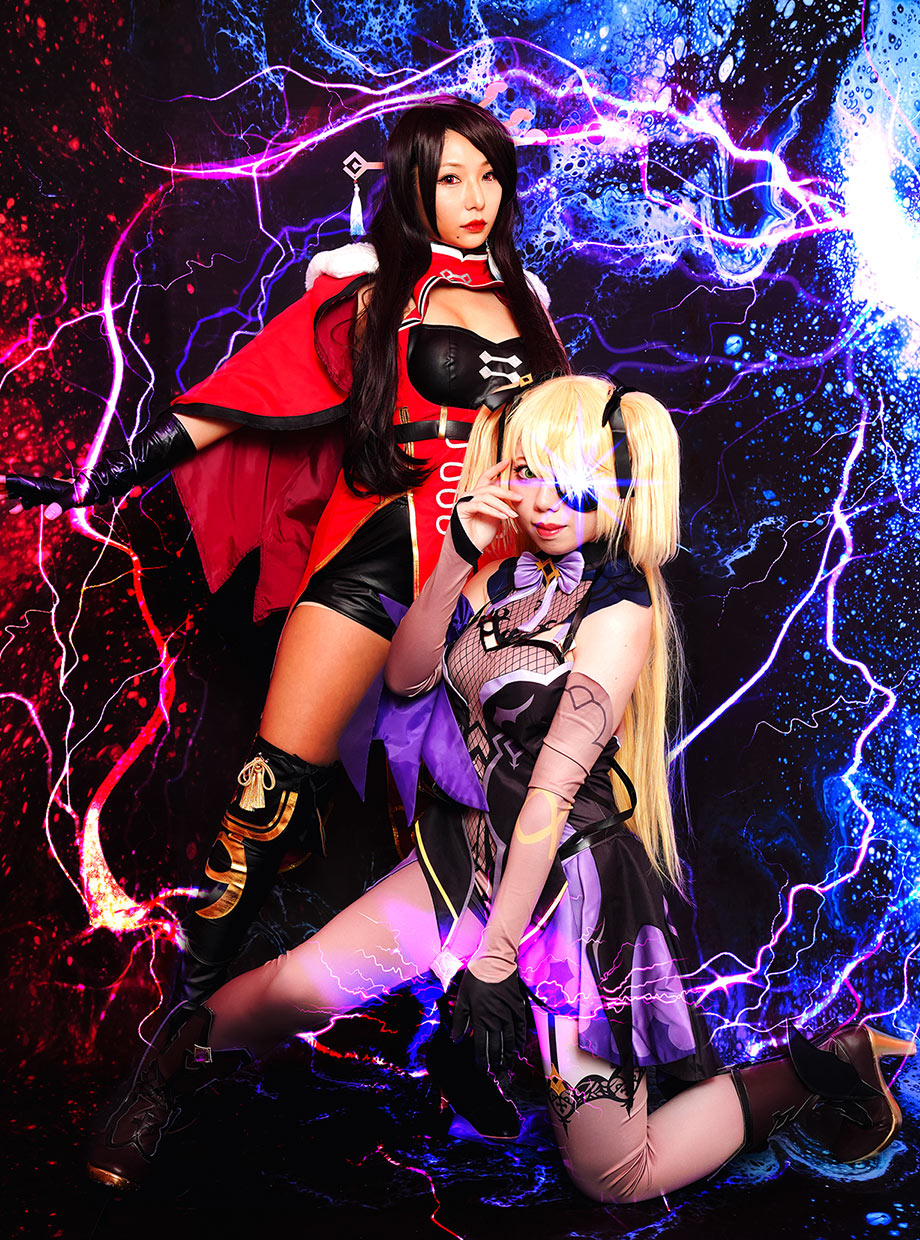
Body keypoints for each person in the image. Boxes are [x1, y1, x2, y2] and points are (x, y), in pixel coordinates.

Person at [85, 374, 914, 1198]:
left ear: (626, 491)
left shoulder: (619, 610)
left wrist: (495, 956)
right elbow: (407, 680)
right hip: (464, 853)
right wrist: (455, 554)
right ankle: (158, 1082)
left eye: (575, 483)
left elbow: (550, 794)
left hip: (572, 892)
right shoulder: (498, 575)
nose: (546, 503)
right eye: (529, 472)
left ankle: (814, 1072)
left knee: (614, 1174)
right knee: (292, 988)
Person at [1, 98, 568, 1085]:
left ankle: (487, 1045)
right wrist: (108, 476)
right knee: (264, 803)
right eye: (449, 178)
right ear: (412, 187)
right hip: (377, 553)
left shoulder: (530, 304)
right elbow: (245, 396)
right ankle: (169, 1050)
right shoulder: (368, 292)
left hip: (496, 578)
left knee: (497, 811)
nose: (474, 197)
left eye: (489, 176)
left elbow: (568, 443)